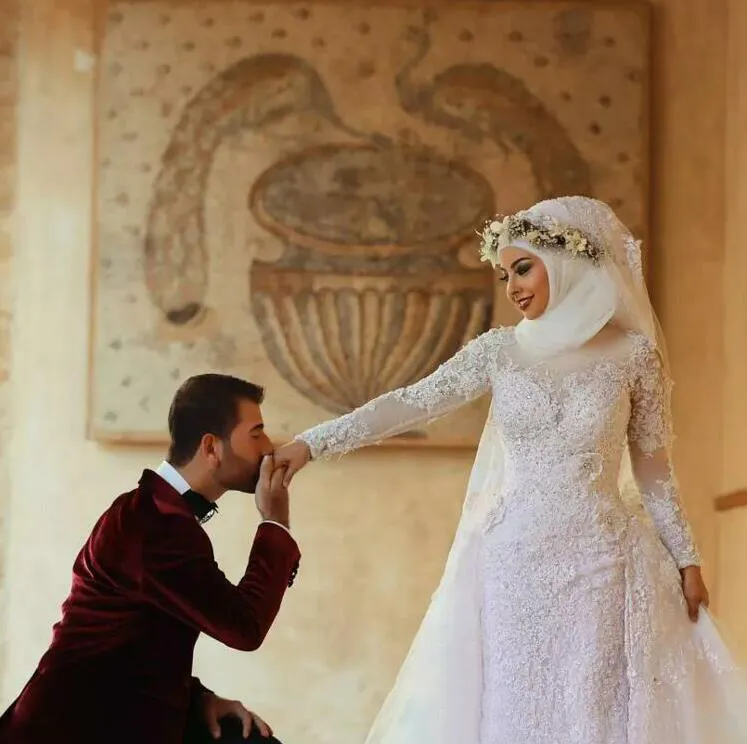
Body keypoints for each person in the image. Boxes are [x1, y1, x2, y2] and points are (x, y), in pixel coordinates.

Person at [276, 196, 747, 743]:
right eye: (504, 275)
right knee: (516, 704)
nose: (513, 288)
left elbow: (652, 469)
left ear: (571, 260)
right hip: (514, 561)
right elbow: (409, 402)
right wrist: (311, 443)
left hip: (603, 558)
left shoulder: (633, 356)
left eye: (523, 268)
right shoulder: (499, 352)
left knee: (592, 706)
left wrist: (687, 558)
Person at [0, 374, 301, 744]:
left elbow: (138, 645)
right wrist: (275, 522)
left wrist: (200, 699)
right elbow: (245, 626)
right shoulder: (156, 525)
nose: (269, 447)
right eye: (256, 433)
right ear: (211, 447)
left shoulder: (154, 512)